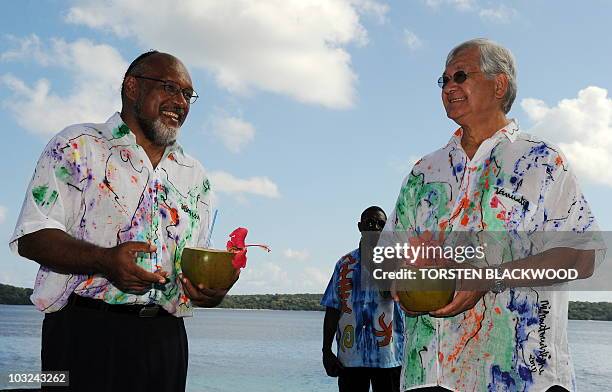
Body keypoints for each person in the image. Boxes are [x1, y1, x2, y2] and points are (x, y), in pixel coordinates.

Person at [384, 39, 605, 391]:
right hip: (427, 377)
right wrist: (401, 280)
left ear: (498, 84)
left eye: (460, 75)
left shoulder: (542, 162)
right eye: (444, 81)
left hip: (523, 377)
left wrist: (488, 277)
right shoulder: (424, 172)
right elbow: (390, 256)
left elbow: (583, 257)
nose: (449, 87)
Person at [9, 51, 236, 392]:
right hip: (81, 333)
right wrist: (104, 261)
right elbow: (33, 235)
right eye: (170, 88)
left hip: (166, 340)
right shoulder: (77, 146)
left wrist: (212, 290)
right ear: (132, 87)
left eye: (188, 95)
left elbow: (192, 263)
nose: (181, 102)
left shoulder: (195, 175)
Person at [321, 206, 405, 392]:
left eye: (380, 224)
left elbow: (389, 294)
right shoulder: (344, 264)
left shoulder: (399, 262)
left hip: (389, 358)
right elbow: (333, 309)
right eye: (369, 222)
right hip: (351, 359)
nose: (374, 227)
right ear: (360, 226)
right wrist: (326, 351)